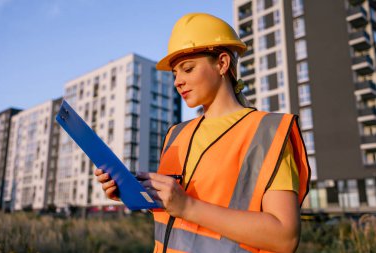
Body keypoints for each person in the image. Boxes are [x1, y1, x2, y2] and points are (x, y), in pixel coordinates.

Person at [95, 13, 310, 253]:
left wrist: (187, 206)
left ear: (222, 63)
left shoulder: (267, 133)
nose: (178, 81)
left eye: (187, 69)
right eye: (175, 74)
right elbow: (174, 214)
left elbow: (285, 237)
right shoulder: (176, 134)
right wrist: (131, 193)